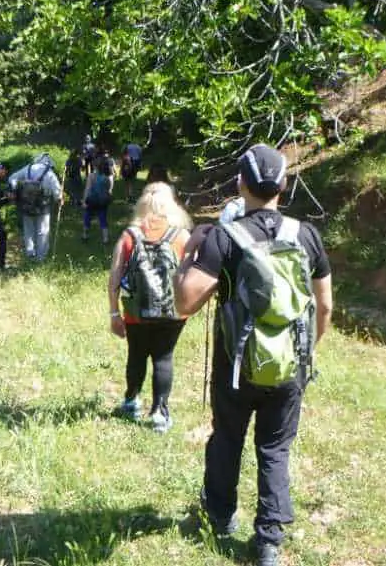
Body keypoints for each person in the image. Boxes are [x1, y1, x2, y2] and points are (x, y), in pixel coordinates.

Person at [175, 144, 333, 566]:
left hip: (236, 365)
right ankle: (267, 543)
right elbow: (325, 305)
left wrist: (191, 252)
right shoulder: (306, 235)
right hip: (289, 368)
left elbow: (184, 303)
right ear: (283, 185)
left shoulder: (224, 238)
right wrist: (304, 354)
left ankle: (220, 516)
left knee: (227, 437)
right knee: (275, 448)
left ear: (240, 184)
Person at [107, 182, 191, 432]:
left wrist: (114, 313)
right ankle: (159, 414)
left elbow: (114, 278)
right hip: (173, 313)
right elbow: (189, 274)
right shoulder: (181, 236)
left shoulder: (130, 235)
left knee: (137, 355)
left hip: (136, 312)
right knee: (164, 358)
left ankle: (131, 402)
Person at [8, 153, 63, 262]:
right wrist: (59, 199)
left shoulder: (28, 168)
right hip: (43, 206)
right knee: (43, 231)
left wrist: (14, 190)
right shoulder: (50, 173)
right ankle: (40, 257)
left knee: (28, 230)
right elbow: (57, 192)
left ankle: (30, 254)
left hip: (26, 204)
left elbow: (12, 178)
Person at [82, 155, 115, 243]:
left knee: (87, 217)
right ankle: (105, 239)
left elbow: (87, 189)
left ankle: (85, 235)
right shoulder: (107, 178)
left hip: (91, 201)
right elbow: (109, 190)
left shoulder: (91, 176)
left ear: (95, 166)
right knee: (103, 219)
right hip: (102, 202)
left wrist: (84, 200)